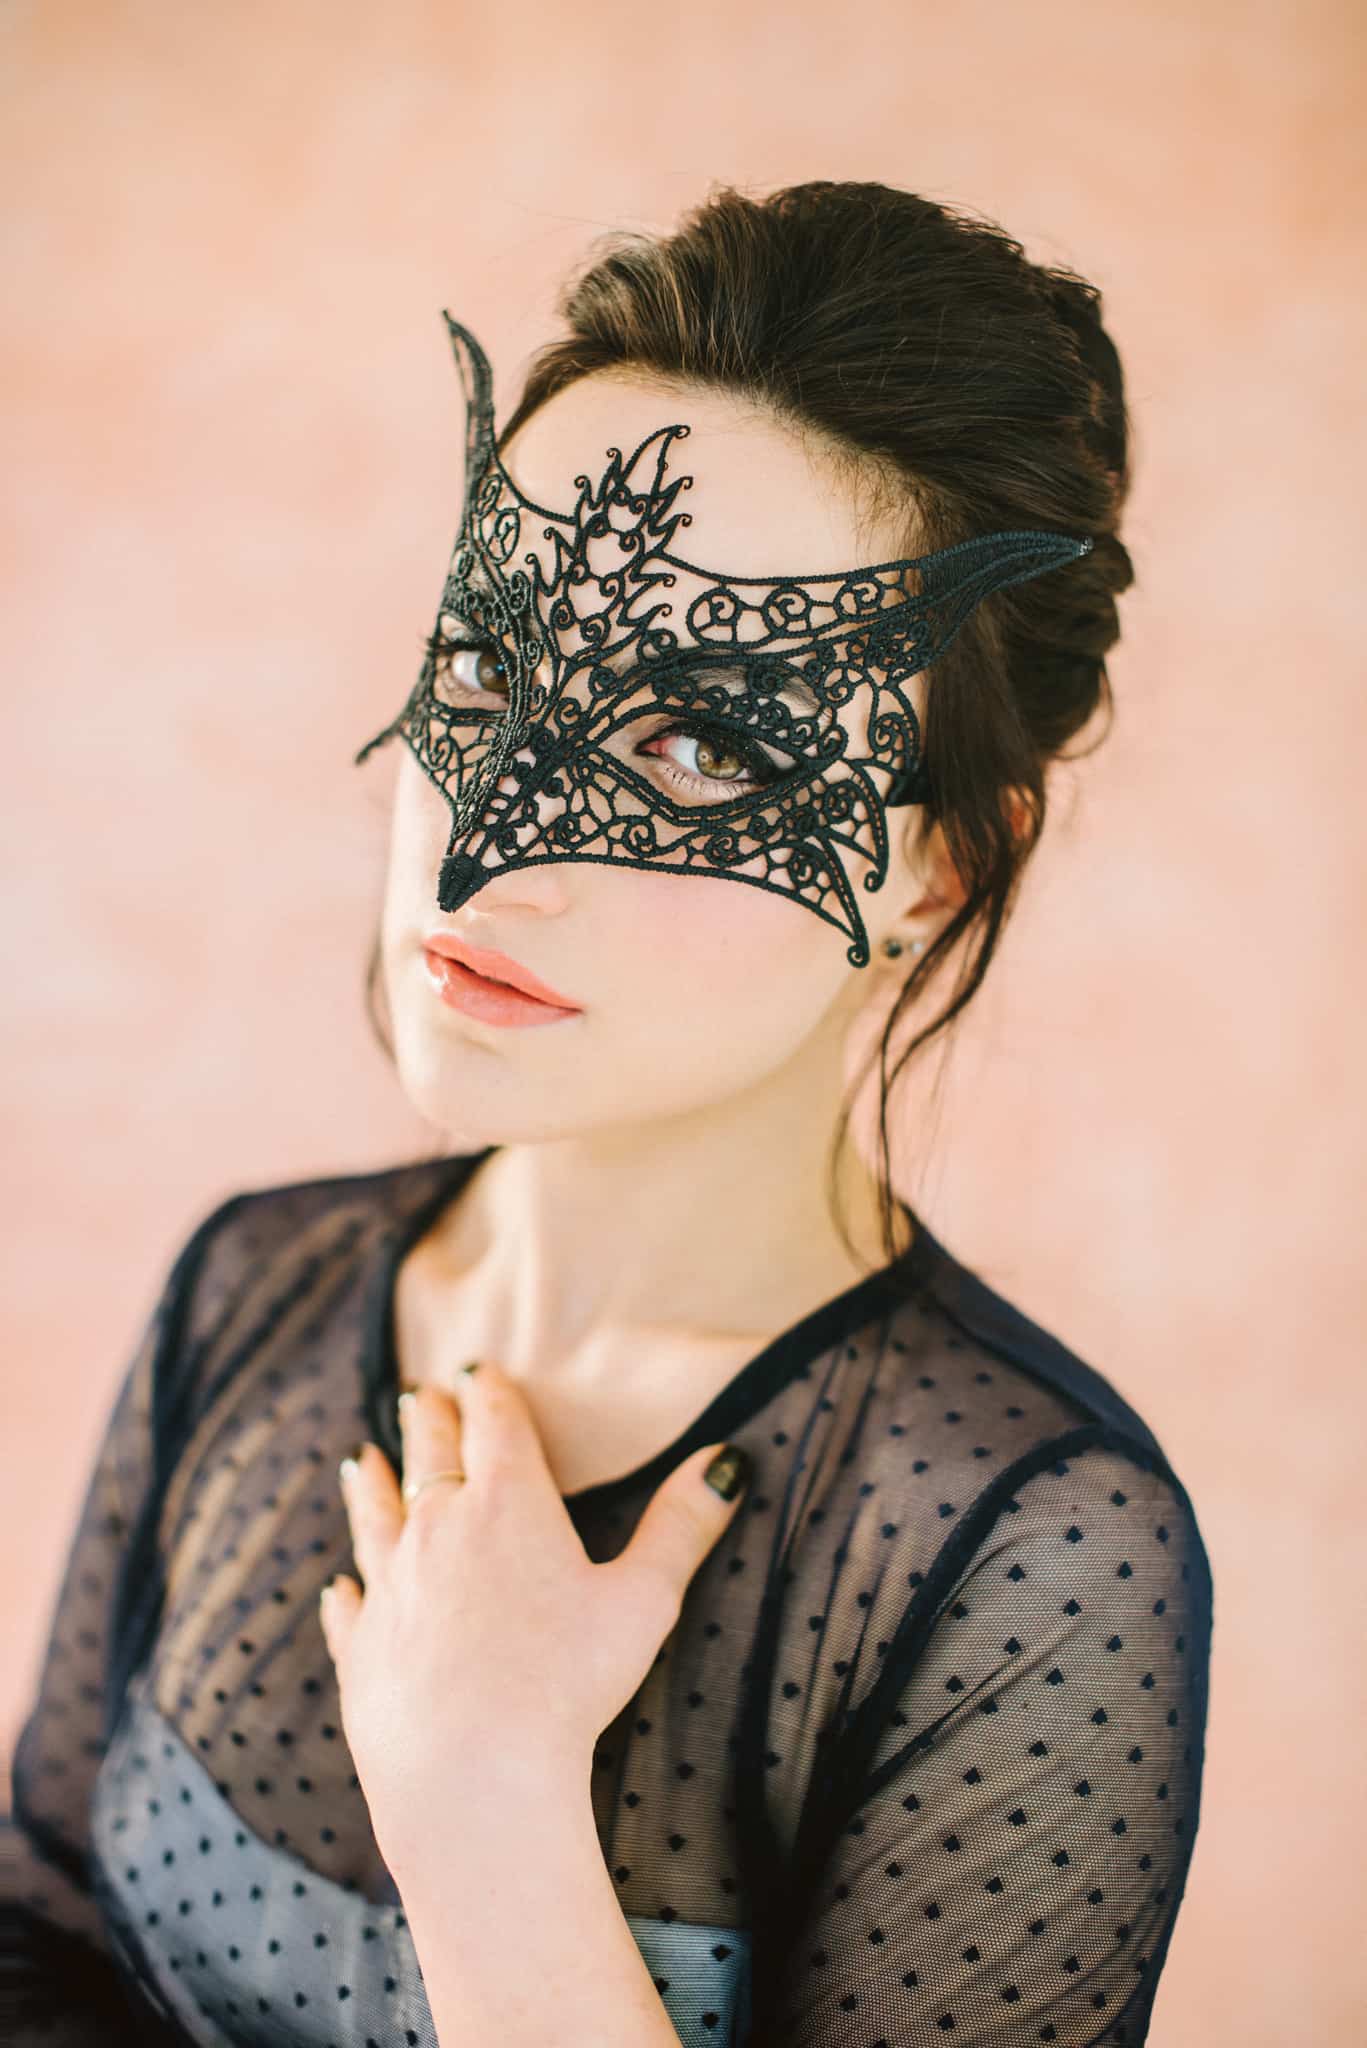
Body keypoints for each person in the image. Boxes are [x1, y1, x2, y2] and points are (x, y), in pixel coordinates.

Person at [2, 180, 1212, 2047]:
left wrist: (485, 1816)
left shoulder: (1032, 1559)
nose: (488, 845)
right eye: (486, 667)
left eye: (700, 745)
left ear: (940, 871)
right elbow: (37, 1932)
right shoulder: (250, 1286)